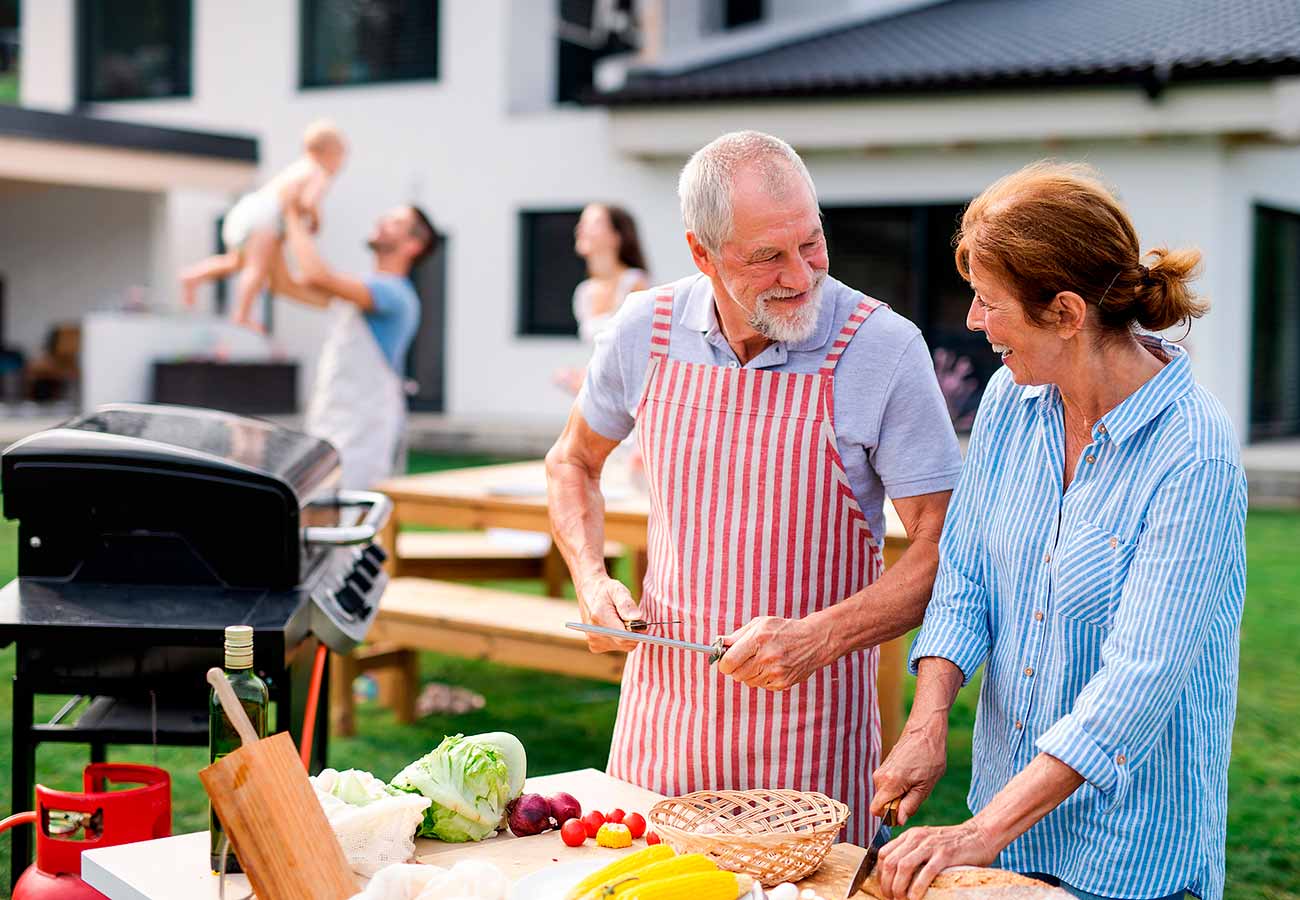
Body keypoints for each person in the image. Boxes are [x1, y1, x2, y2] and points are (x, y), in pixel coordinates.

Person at [545, 131, 962, 847]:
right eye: (767, 256)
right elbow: (571, 464)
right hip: (661, 726)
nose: (801, 275)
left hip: (811, 739)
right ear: (701, 254)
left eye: (811, 243)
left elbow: (946, 547)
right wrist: (589, 575)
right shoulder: (642, 329)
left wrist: (817, 637)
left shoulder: (884, 349)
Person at [869, 162, 1246, 900]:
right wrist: (927, 721)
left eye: (988, 302)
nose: (974, 321)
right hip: (1011, 828)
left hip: (1131, 853)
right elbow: (968, 574)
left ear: (1067, 313)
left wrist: (976, 836)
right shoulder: (1013, 400)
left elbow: (1136, 686)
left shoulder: (1192, 453)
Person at [269, 203, 436, 490]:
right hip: (332, 417)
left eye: (394, 222)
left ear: (413, 245)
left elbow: (317, 276)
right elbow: (283, 285)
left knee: (348, 517)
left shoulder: (395, 294)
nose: (381, 221)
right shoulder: (360, 291)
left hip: (363, 429)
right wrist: (268, 236)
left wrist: (293, 215)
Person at [181, 119, 347, 332]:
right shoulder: (318, 171)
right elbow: (308, 201)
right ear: (329, 152)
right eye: (341, 155)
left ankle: (192, 276)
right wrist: (316, 220)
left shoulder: (298, 167)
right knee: (256, 268)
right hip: (264, 219)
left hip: (247, 210)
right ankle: (242, 313)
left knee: (236, 262)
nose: (341, 162)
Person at [554, 203, 650, 395]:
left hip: (630, 397)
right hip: (601, 396)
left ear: (616, 237)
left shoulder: (635, 284)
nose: (581, 228)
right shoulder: (584, 292)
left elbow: (642, 354)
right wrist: (580, 377)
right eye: (582, 222)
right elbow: (600, 358)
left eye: (594, 222)